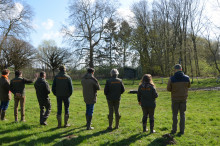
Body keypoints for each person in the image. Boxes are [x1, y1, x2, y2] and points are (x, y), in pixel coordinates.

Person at [167, 64, 191, 135]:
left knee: (175, 115)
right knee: (182, 115)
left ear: (175, 70)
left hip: (175, 99)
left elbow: (168, 89)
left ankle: (174, 130)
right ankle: (182, 131)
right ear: (181, 69)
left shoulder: (172, 78)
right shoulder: (187, 78)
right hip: (183, 98)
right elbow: (189, 86)